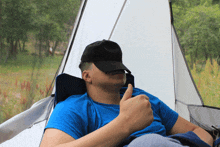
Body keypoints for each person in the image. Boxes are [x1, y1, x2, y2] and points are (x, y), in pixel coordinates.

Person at [40, 40, 213, 147]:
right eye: (108, 67)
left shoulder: (143, 99)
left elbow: (196, 130)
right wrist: (124, 124)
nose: (118, 71)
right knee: (148, 143)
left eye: (118, 66)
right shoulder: (72, 108)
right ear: (87, 75)